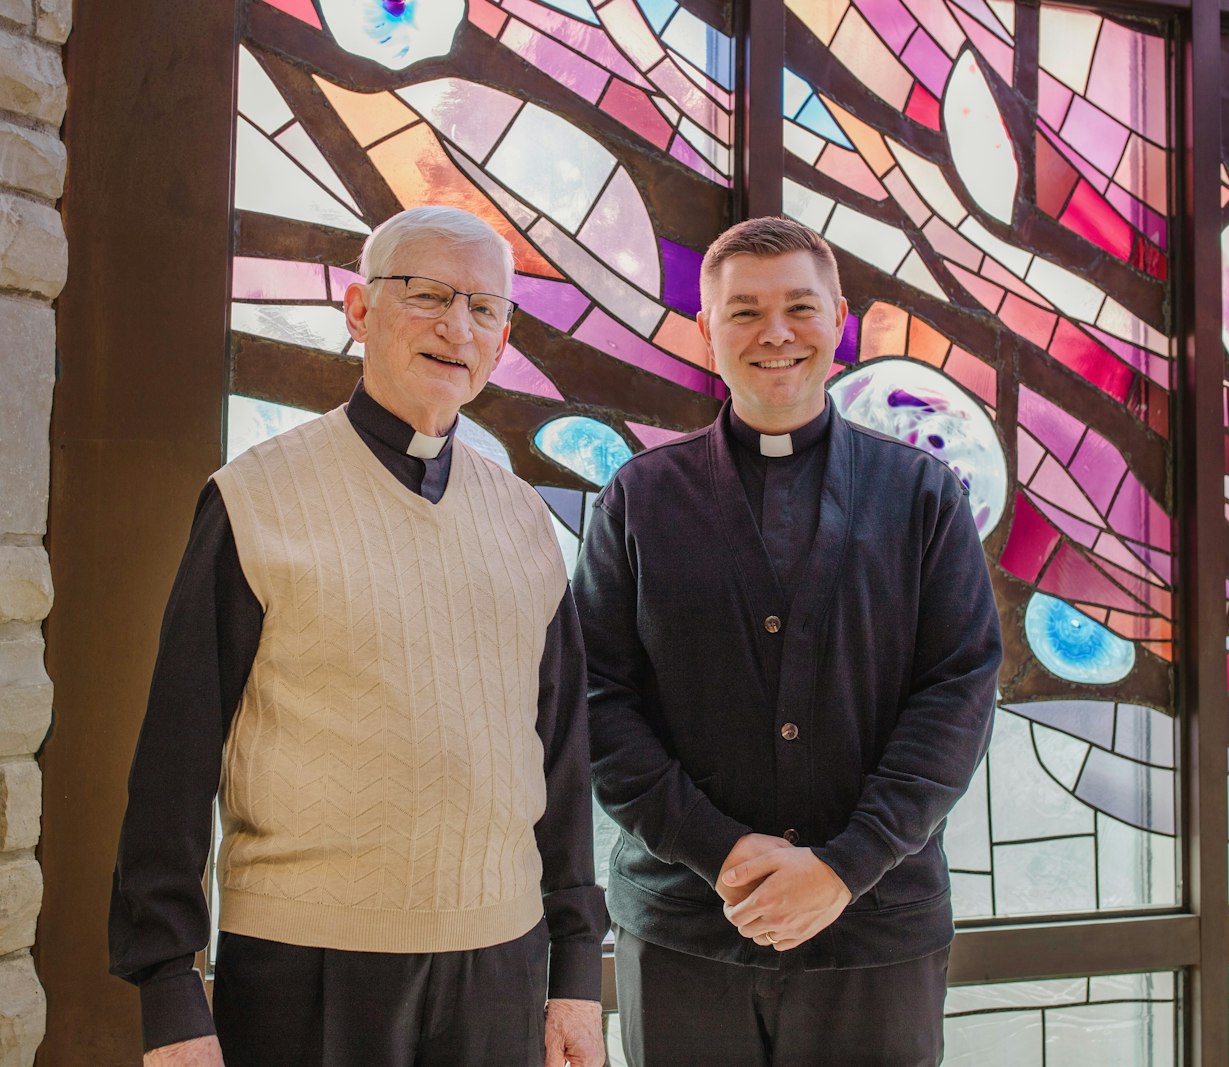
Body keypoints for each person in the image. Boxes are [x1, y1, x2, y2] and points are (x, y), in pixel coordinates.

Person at [109, 206, 608, 1067]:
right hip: (305, 971)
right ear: (359, 309)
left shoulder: (525, 518)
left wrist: (575, 969)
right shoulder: (255, 498)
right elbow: (176, 754)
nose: (458, 326)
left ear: (502, 338)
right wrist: (169, 990)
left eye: (485, 309)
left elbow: (560, 758)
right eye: (427, 295)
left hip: (502, 970)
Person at [573, 216, 1001, 1066]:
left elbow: (958, 693)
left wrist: (846, 864)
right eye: (744, 312)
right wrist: (722, 850)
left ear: (840, 320)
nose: (775, 333)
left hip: (877, 929)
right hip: (686, 924)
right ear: (707, 332)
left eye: (800, 307)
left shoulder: (922, 496)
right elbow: (595, 700)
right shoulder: (639, 500)